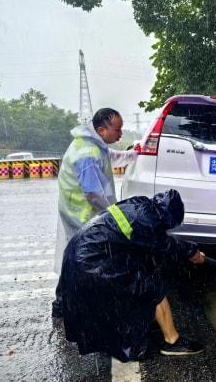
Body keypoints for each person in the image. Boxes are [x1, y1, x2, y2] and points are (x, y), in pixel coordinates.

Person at [59, 190, 206, 361]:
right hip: (91, 265)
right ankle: (172, 341)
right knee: (152, 287)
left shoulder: (140, 205)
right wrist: (192, 252)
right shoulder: (146, 221)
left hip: (78, 256)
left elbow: (144, 242)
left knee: (137, 277)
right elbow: (165, 244)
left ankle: (144, 324)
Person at [52, 108, 138, 319]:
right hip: (81, 214)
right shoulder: (87, 154)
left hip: (79, 210)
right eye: (117, 130)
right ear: (101, 129)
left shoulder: (93, 145)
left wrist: (134, 154)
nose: (120, 134)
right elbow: (93, 194)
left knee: (75, 256)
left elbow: (112, 157)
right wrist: (114, 218)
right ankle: (68, 303)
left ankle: (64, 302)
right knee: (83, 258)